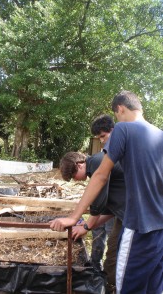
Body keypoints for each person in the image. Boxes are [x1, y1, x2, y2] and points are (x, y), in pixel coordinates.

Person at [50, 90, 163, 294]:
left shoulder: (123, 129)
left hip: (139, 227)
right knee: (154, 287)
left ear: (120, 109)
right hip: (159, 229)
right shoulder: (159, 135)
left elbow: (100, 176)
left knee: (126, 287)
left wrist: (74, 217)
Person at [60, 151, 125, 292]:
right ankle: (110, 286)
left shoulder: (97, 161)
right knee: (113, 250)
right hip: (123, 214)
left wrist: (86, 226)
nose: (75, 180)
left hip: (135, 214)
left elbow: (98, 203)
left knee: (124, 255)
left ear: (79, 164)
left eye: (73, 176)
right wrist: (86, 226)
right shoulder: (95, 168)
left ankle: (118, 287)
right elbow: (108, 210)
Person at [89, 115, 115, 272]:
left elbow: (101, 184)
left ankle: (110, 278)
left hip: (116, 208)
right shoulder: (105, 154)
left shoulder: (102, 158)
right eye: (100, 138)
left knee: (114, 241)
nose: (102, 141)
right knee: (98, 233)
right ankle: (95, 266)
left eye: (104, 136)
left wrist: (88, 222)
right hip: (108, 206)